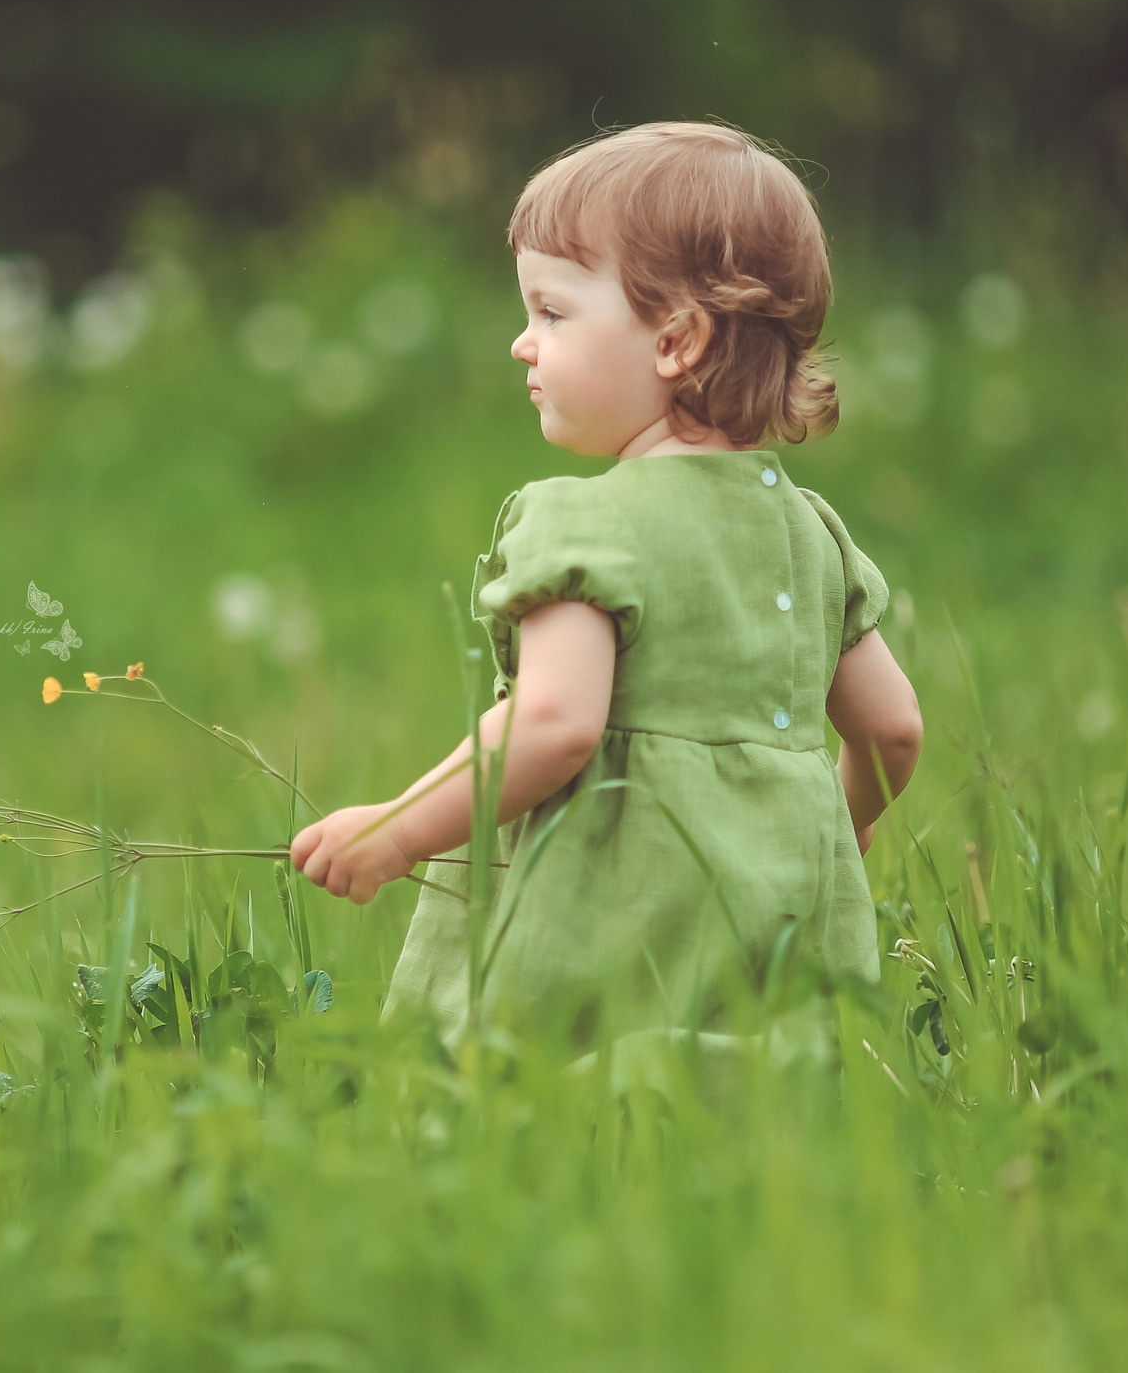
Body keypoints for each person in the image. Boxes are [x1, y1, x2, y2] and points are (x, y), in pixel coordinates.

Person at [289, 120, 924, 1052]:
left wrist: (394, 831)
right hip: (779, 944)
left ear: (677, 340)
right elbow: (895, 729)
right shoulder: (812, 536)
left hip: (606, 936)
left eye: (550, 312)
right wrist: (845, 817)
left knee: (565, 1110)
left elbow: (555, 723)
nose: (522, 344)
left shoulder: (583, 523)